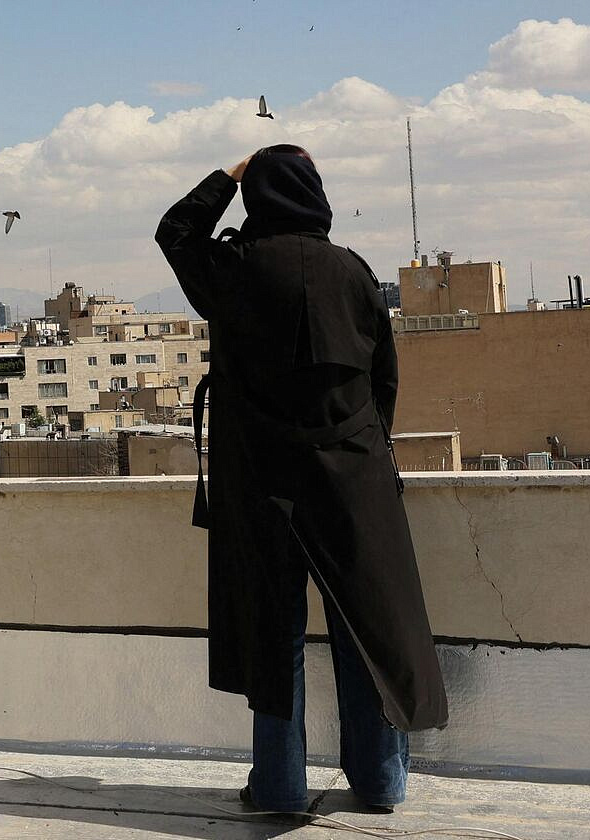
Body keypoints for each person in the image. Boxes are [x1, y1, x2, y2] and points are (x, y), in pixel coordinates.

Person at [154, 146, 447, 816]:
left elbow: (175, 231)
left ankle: (281, 788)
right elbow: (384, 383)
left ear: (257, 195)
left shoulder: (234, 270)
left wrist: (226, 179)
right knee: (364, 630)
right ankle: (379, 782)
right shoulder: (354, 274)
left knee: (273, 636)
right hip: (353, 478)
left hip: (263, 484)